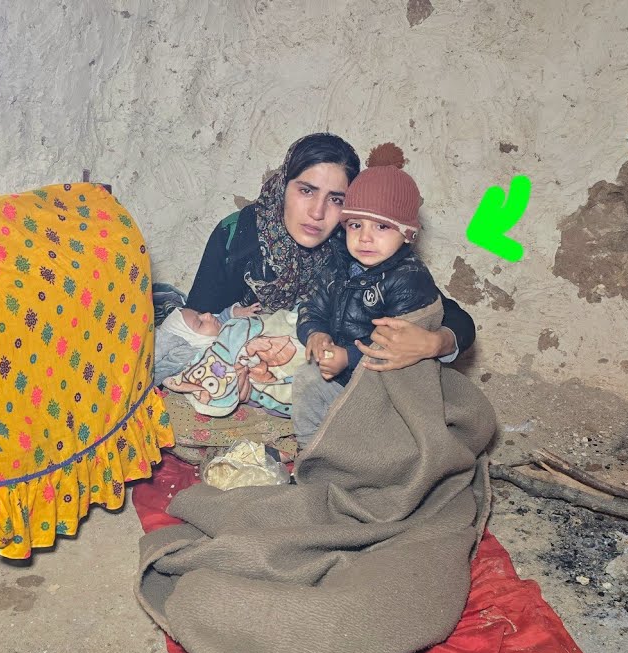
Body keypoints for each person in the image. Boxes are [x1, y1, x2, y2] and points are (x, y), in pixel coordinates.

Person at [185, 132, 475, 373]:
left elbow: (454, 319)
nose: (317, 212)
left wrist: (435, 344)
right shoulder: (237, 234)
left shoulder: (357, 244)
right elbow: (195, 323)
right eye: (306, 191)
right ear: (283, 185)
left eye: (336, 199)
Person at [292, 163, 440, 446]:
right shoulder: (339, 263)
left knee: (385, 438)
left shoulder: (409, 280)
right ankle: (312, 453)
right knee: (306, 380)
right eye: (356, 225)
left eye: (382, 226)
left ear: (407, 233)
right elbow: (313, 305)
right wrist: (315, 332)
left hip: (382, 387)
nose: (365, 238)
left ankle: (360, 457)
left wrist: (349, 357)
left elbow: (399, 350)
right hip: (341, 374)